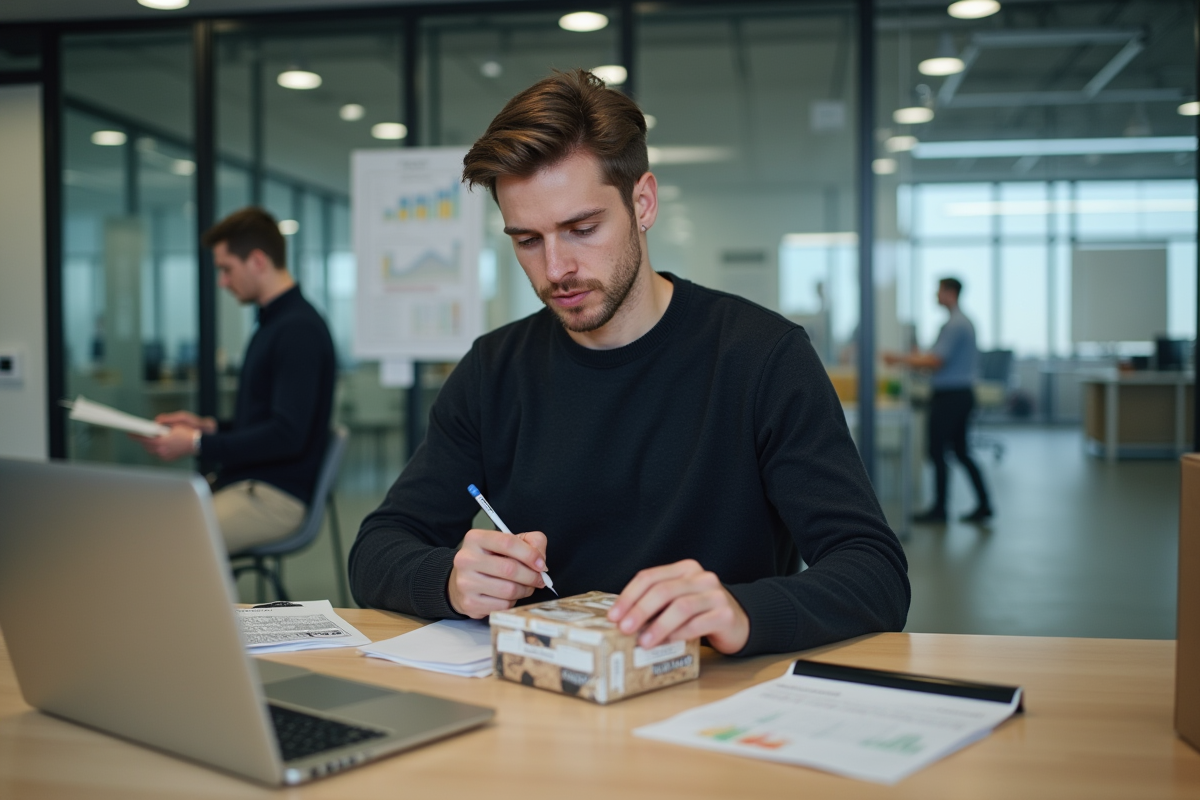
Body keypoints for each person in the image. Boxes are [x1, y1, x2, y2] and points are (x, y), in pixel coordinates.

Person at [349, 69, 909, 657]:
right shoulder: (496, 369)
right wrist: (449, 579)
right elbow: (378, 547)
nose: (556, 268)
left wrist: (742, 611)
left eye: (581, 228)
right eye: (528, 241)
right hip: (542, 701)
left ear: (642, 202)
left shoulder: (760, 356)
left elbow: (874, 572)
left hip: (705, 698)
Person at [136, 207, 337, 554]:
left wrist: (197, 442)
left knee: (165, 545)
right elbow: (266, 422)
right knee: (148, 528)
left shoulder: (297, 331)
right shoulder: (276, 324)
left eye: (226, 269)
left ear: (258, 261)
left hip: (275, 496)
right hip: (250, 484)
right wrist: (209, 427)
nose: (222, 282)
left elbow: (287, 435)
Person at [884, 278, 992, 524]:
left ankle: (940, 510)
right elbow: (935, 357)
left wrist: (899, 359)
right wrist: (914, 357)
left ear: (950, 293)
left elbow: (935, 362)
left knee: (937, 451)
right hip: (959, 395)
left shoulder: (955, 325)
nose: (936, 295)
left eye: (939, 291)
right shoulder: (959, 323)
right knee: (961, 452)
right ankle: (983, 504)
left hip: (951, 397)